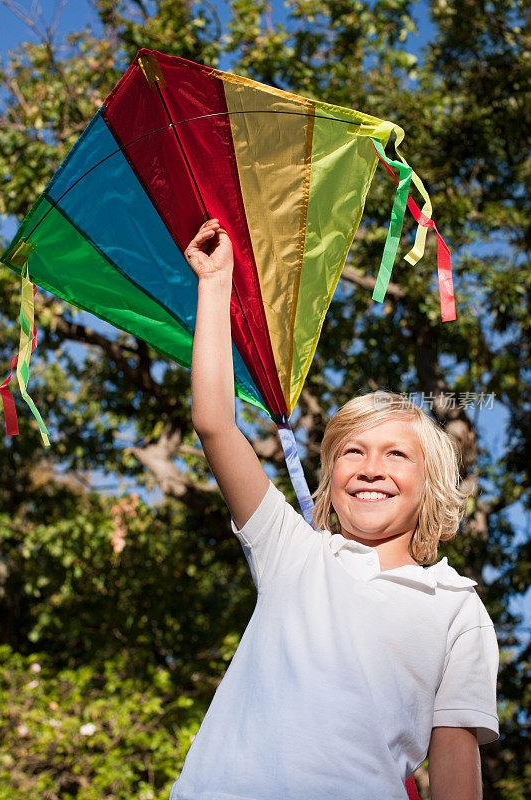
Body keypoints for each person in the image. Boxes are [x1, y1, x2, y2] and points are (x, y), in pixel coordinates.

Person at [168, 218, 500, 800]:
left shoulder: (457, 608)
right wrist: (216, 284)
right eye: (353, 452)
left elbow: (454, 764)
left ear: (430, 485)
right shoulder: (291, 550)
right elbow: (215, 424)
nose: (371, 467)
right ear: (331, 478)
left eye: (396, 454)